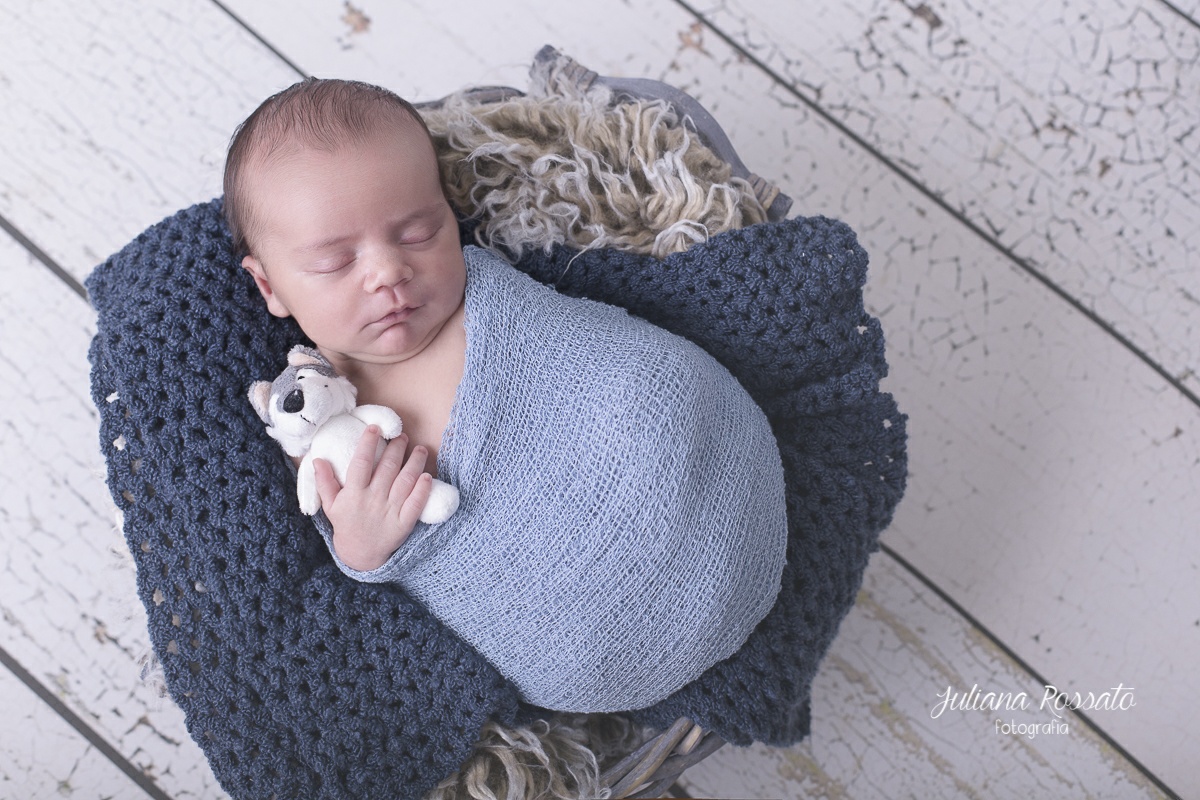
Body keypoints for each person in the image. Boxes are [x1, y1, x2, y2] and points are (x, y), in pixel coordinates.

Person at [225, 77, 789, 712]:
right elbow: (352, 563)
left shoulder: (495, 305)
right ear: (269, 286)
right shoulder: (318, 416)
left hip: (710, 479)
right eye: (335, 263)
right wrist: (363, 546)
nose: (388, 271)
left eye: (418, 232)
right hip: (585, 640)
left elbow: (616, 360)